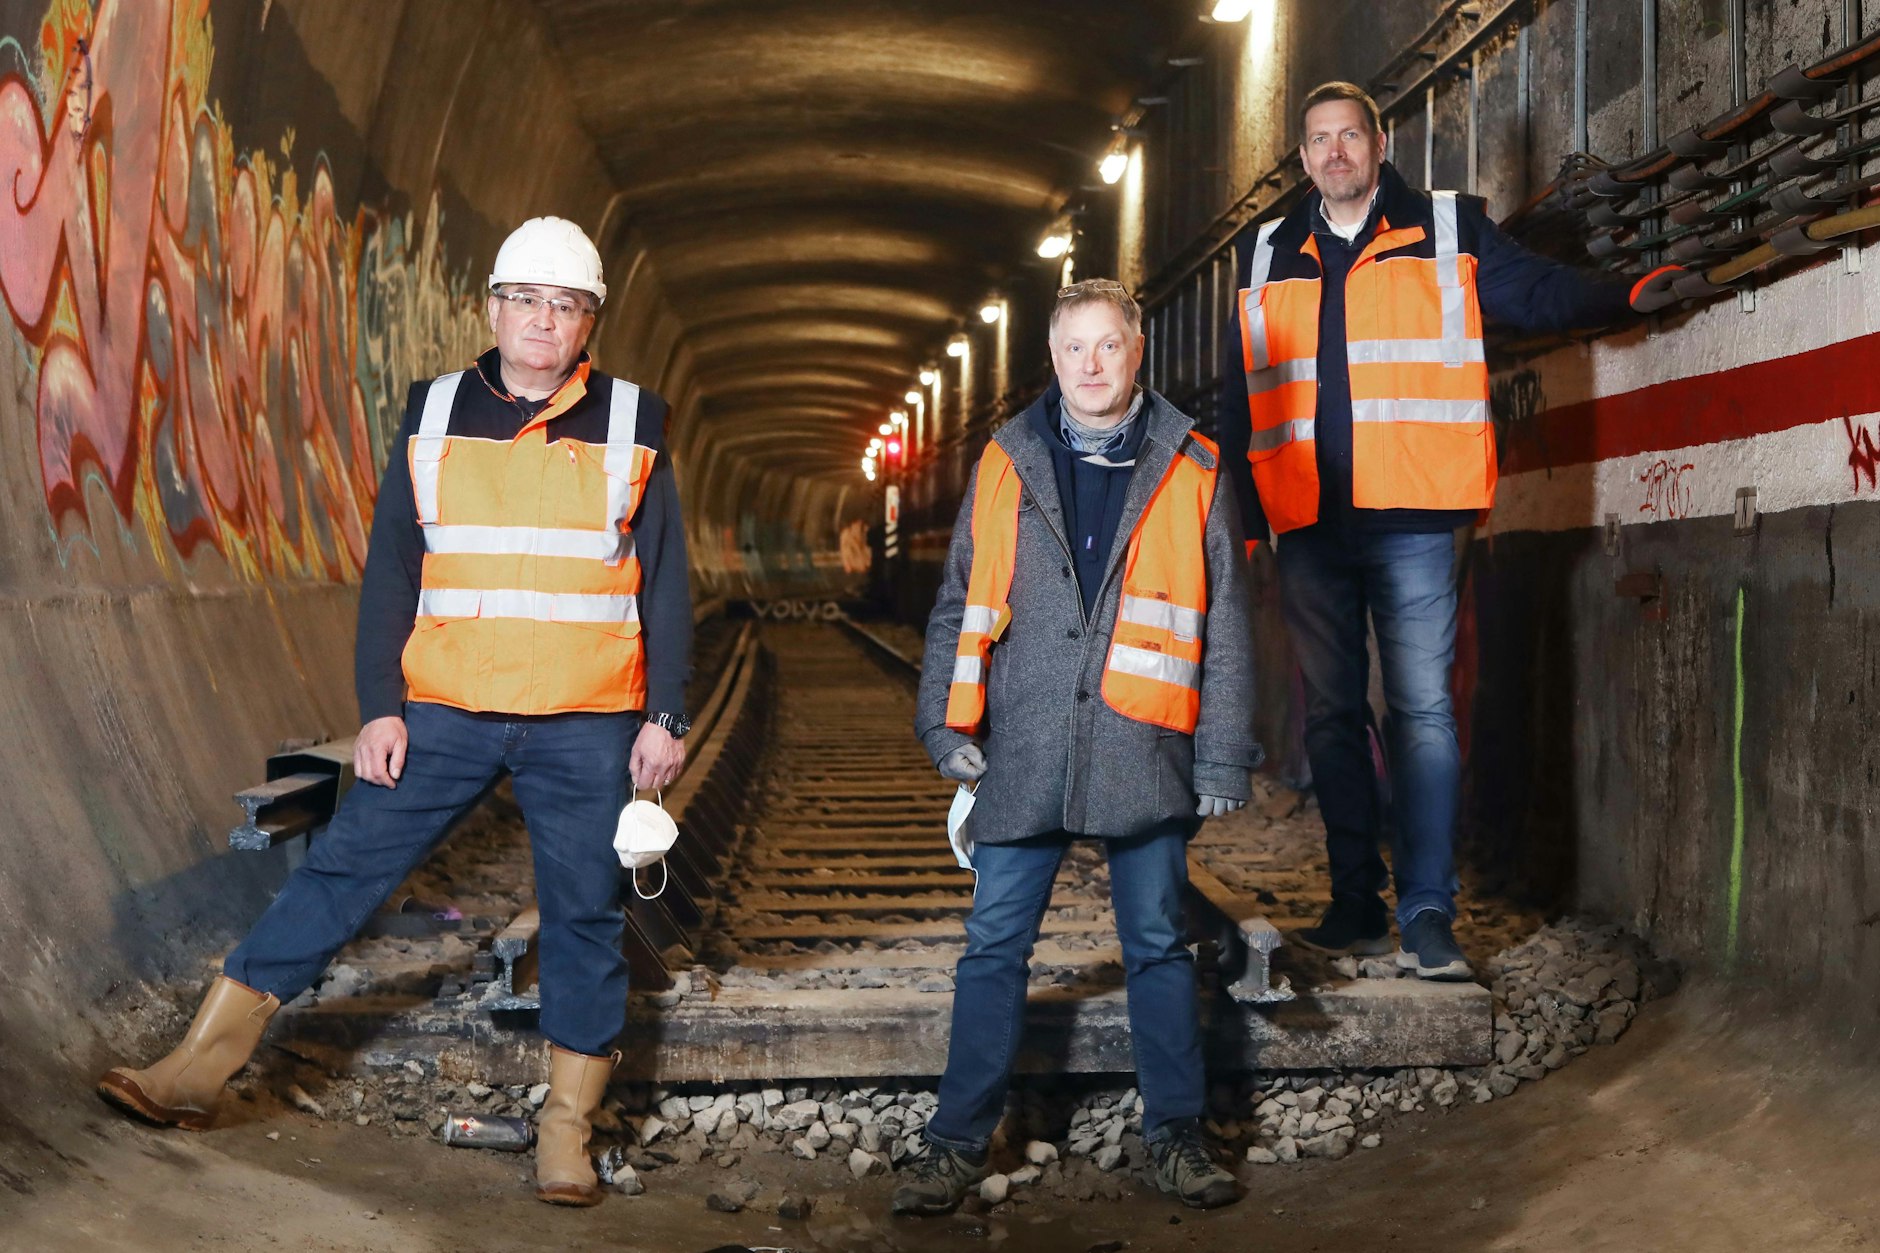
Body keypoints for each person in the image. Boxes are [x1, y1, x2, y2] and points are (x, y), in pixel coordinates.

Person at [97, 216, 694, 1209]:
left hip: (584, 719)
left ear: (589, 321)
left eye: (567, 305)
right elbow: (391, 569)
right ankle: (195, 1071)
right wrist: (380, 706)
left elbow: (666, 581)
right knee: (341, 869)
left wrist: (664, 716)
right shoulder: (435, 409)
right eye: (527, 300)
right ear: (494, 307)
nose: (544, 321)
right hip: (446, 710)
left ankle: (564, 1134)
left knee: (584, 917)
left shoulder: (636, 419)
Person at [1223, 82, 1678, 979]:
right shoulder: (1266, 248)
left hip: (1419, 514)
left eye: (1350, 134)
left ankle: (1429, 912)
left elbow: (1537, 293)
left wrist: (1621, 296)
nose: (1336, 152)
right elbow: (1248, 389)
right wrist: (1247, 516)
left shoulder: (1447, 225)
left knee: (1424, 709)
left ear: (1380, 142)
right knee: (1332, 717)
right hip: (1308, 520)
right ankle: (1355, 903)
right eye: (1319, 141)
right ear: (1304, 158)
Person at [896, 278, 1262, 1216]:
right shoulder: (1006, 459)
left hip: (1142, 740)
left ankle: (1176, 1137)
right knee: (991, 948)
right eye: (1073, 350)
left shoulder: (1193, 462)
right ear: (1052, 358)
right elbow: (956, 603)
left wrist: (1222, 755)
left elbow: (1225, 622)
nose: (1091, 366)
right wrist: (942, 722)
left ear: (1136, 352)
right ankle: (954, 1141)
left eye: (1108, 347)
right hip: (1022, 740)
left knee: (1156, 945)